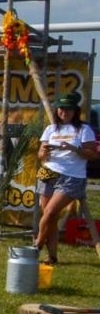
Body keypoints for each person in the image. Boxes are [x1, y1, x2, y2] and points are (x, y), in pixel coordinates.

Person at [33, 91, 98, 266]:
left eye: (68, 109)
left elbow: (93, 155)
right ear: (57, 110)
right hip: (48, 173)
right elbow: (40, 154)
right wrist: (44, 152)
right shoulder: (51, 128)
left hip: (72, 176)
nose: (64, 112)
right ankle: (52, 256)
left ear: (75, 111)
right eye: (61, 108)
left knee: (50, 212)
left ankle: (37, 245)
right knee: (50, 218)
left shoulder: (84, 129)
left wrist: (74, 149)